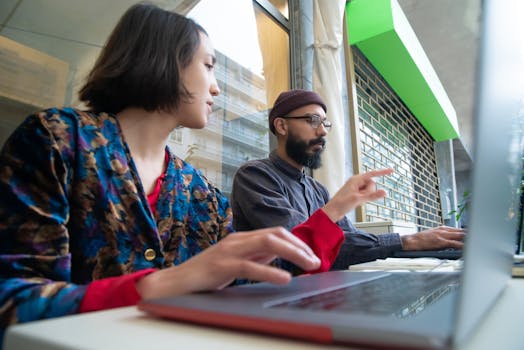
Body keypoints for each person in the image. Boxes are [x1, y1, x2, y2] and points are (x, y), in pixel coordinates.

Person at [0, 3, 393, 340]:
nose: (217, 89)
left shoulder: (195, 188)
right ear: (164, 61)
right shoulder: (59, 141)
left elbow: (257, 274)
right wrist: (161, 285)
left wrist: (334, 210)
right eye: (208, 66)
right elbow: (13, 300)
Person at [231, 89, 465, 269]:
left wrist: (417, 241)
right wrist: (407, 242)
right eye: (312, 120)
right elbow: (297, 251)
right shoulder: (255, 176)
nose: (322, 131)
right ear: (281, 125)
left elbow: (344, 243)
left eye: (325, 123)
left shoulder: (317, 190)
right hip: (269, 303)